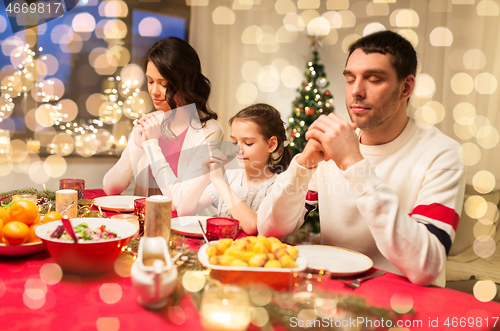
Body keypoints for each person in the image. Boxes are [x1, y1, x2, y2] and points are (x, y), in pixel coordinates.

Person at [257, 31, 466, 286]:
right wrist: (303, 165)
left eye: (374, 79)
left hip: (404, 309)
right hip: (330, 297)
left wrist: (353, 164)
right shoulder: (333, 143)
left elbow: (427, 266)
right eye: (350, 79)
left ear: (406, 87)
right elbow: (270, 229)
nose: (356, 91)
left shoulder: (441, 153)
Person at [103, 37, 223, 213]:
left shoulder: (209, 131)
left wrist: (151, 145)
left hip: (183, 229)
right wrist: (137, 145)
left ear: (186, 83)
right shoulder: (149, 122)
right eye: (150, 81)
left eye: (164, 84)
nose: (153, 91)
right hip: (144, 224)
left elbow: (179, 202)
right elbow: (111, 187)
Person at [177, 103, 292, 235]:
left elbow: (252, 226)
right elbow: (184, 212)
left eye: (248, 143)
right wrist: (206, 176)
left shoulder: (279, 186)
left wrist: (220, 182)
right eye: (234, 142)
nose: (238, 150)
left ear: (271, 144)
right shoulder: (230, 177)